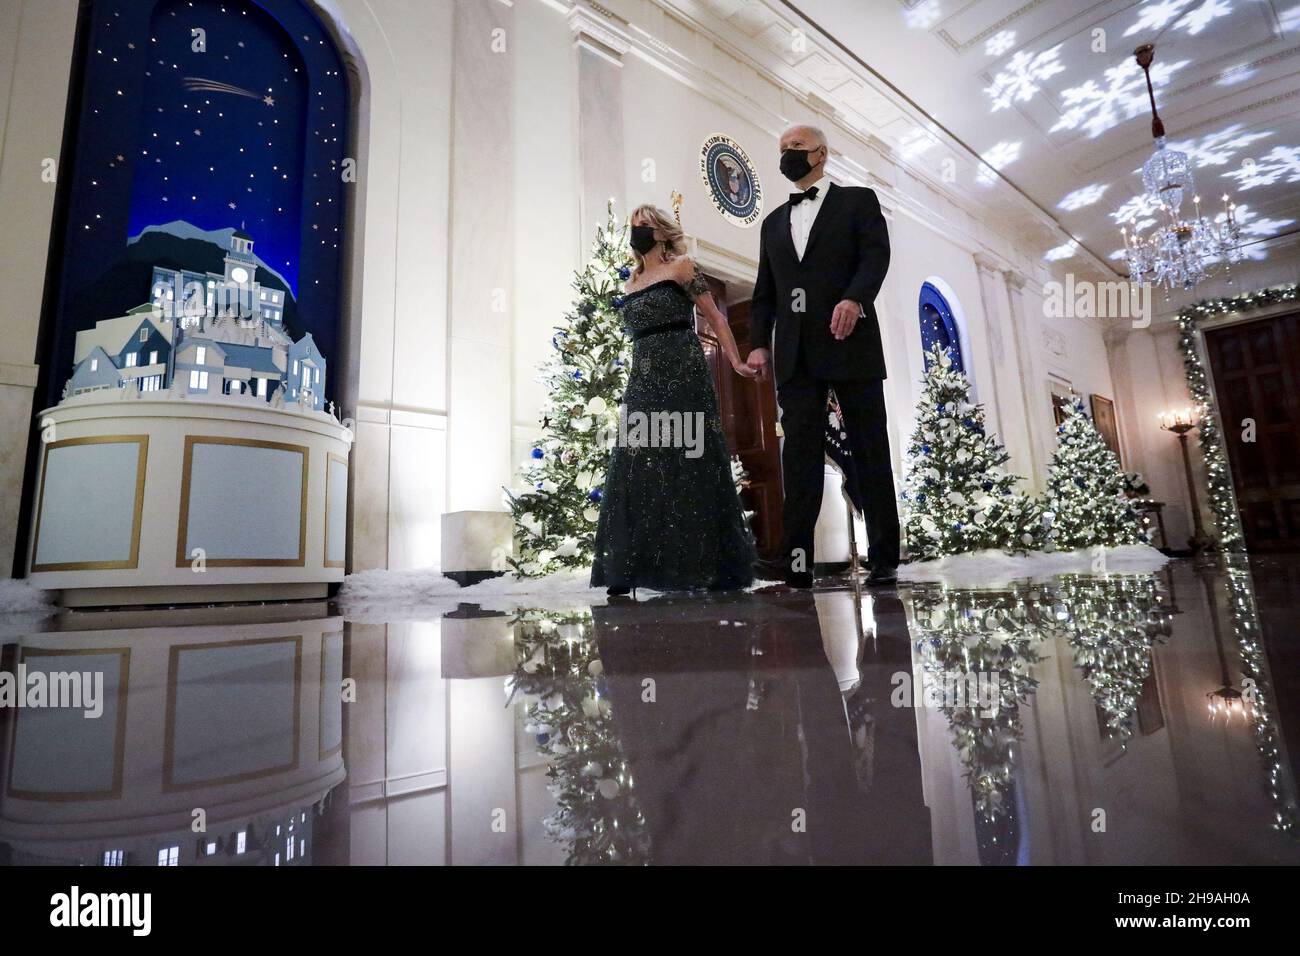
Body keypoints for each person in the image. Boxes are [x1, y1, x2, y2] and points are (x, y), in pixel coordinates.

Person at [747, 125, 900, 588]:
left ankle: (885, 557)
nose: (787, 155)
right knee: (799, 460)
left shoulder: (859, 201)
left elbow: (876, 256)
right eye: (781, 149)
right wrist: (758, 343)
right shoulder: (772, 222)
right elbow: (764, 293)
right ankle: (796, 564)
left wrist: (855, 299)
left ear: (821, 154)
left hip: (849, 340)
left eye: (795, 147)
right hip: (796, 355)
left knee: (870, 449)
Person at [590, 204, 758, 595]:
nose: (637, 231)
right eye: (632, 226)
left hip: (683, 374)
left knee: (690, 460)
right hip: (643, 379)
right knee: (637, 464)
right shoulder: (631, 280)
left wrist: (734, 361)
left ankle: (701, 566)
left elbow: (715, 318)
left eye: (644, 225)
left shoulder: (682, 267)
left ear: (662, 232)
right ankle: (632, 568)